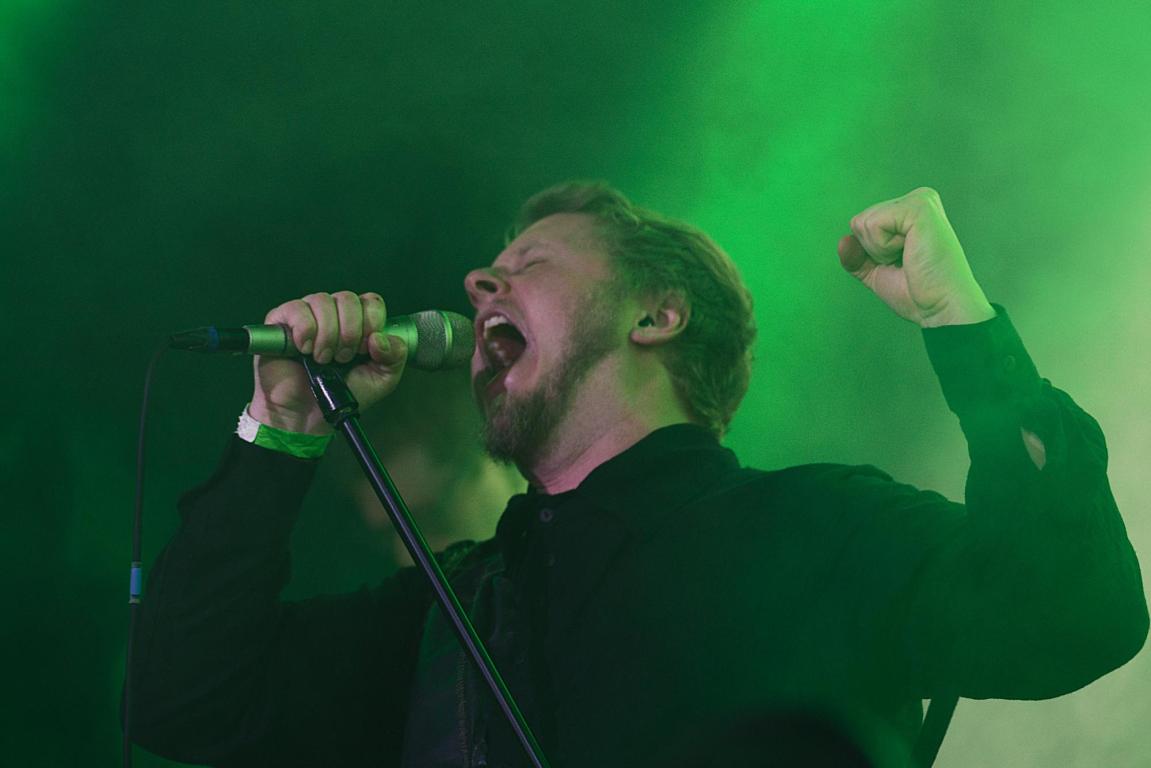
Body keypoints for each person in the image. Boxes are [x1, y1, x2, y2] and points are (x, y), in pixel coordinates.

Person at [127, 183, 1148, 767]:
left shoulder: (815, 527)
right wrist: (284, 426)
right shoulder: (452, 609)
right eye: (486, 276)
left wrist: (961, 325)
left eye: (529, 263)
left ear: (656, 315)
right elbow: (181, 701)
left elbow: (1070, 614)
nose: (479, 283)